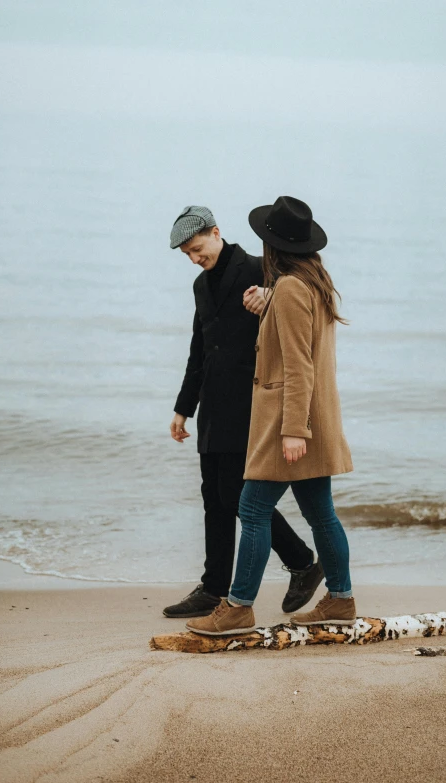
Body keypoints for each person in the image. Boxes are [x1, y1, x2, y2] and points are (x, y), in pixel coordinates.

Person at [187, 196, 356, 636]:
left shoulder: (291, 289)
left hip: (291, 424)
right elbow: (297, 346)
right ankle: (340, 599)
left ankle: (238, 607)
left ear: (272, 245)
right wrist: (268, 308)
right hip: (313, 419)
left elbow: (298, 364)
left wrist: (293, 430)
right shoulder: (309, 283)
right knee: (321, 515)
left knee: (252, 507)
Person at [164, 205, 325, 619]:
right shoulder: (201, 286)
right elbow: (200, 349)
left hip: (253, 404)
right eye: (187, 255)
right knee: (213, 498)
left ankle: (303, 563)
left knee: (237, 496)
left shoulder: (259, 268)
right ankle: (214, 588)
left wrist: (272, 296)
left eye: (197, 249)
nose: (194, 259)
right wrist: (184, 407)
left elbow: (306, 302)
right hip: (213, 407)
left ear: (216, 233)